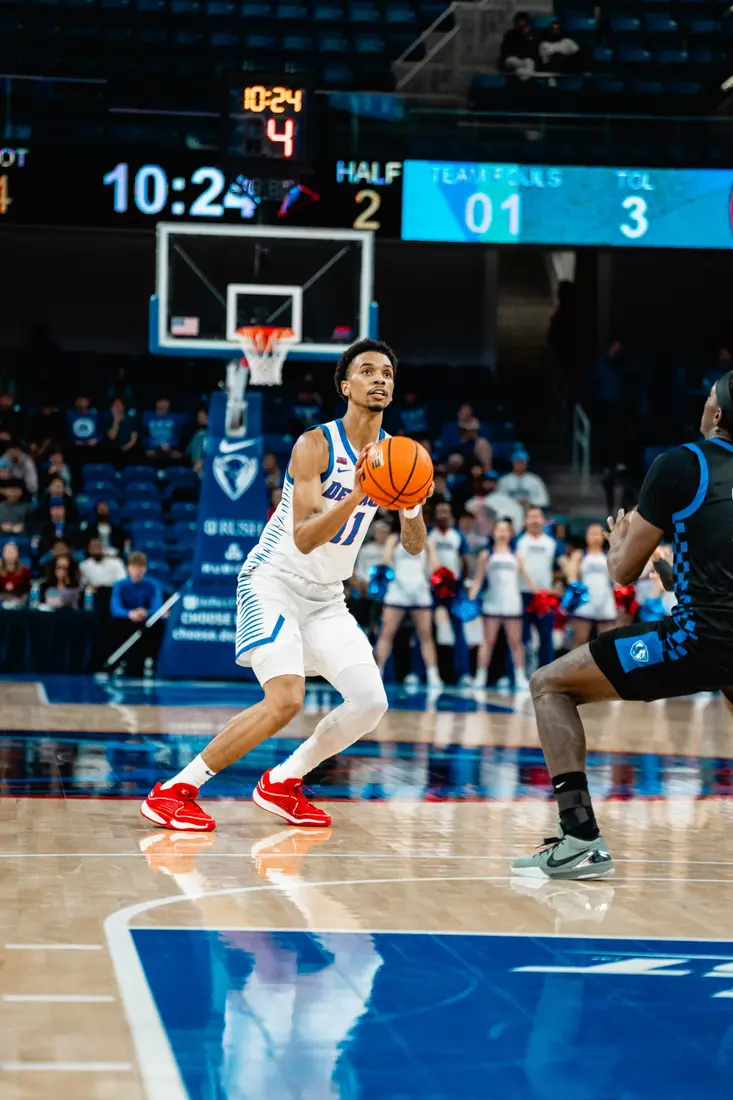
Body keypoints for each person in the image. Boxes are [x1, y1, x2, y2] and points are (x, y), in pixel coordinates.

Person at [141, 338, 431, 832]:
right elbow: (303, 537)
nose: (380, 379)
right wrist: (359, 493)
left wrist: (412, 504)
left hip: (327, 597)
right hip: (273, 581)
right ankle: (173, 791)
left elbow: (414, 546)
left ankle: (282, 781)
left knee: (370, 702)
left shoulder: (398, 456)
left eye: (386, 372)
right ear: (346, 386)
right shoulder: (315, 445)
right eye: (367, 371)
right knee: (286, 699)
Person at [512, 372, 733, 877]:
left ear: (717, 414)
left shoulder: (681, 463)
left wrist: (617, 547)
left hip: (697, 642)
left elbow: (624, 573)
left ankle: (579, 838)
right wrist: (680, 576)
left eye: (708, 399)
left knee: (549, 684)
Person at [374, 528, 443, 691]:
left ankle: (433, 675)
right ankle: (376, 674)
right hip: (397, 591)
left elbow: (434, 565)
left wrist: (441, 576)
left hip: (420, 592)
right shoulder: (394, 539)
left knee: (426, 635)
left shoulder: (427, 540)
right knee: (386, 634)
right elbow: (385, 561)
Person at [469, 519, 533, 691]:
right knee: (488, 641)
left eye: (506, 530)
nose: (502, 533)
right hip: (492, 603)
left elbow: (527, 577)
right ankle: (480, 677)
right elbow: (478, 580)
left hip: (512, 603)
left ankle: (520, 677)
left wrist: (541, 593)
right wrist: (470, 598)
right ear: (494, 532)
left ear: (511, 533)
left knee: (516, 642)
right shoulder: (486, 554)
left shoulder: (516, 554)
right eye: (499, 529)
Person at [560, 523, 617, 649]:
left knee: (607, 642)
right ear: (586, 536)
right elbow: (571, 576)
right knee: (580, 640)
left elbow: (616, 579)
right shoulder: (580, 555)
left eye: (598, 534)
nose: (595, 537)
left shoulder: (609, 555)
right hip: (585, 601)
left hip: (605, 600)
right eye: (592, 533)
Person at [110, 551, 164, 676]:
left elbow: (157, 606)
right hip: (126, 620)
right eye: (134, 567)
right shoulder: (119, 585)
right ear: (128, 568)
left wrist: (145, 612)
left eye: (141, 567)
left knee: (158, 624)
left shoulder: (153, 585)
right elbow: (115, 608)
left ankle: (151, 661)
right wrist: (130, 614)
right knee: (115, 624)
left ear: (145, 569)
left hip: (146, 620)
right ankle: (120, 661)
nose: (137, 571)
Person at [516, 506, 558, 668]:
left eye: (537, 517)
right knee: (520, 636)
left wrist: (558, 587)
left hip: (545, 595)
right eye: (531, 517)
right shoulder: (518, 542)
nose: (534, 520)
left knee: (546, 635)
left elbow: (560, 567)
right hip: (522, 594)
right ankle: (519, 672)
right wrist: (533, 587)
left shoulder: (551, 543)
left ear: (543, 520)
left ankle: (547, 671)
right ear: (525, 520)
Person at [80, 537, 126, 611]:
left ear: (103, 547)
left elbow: (122, 581)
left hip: (112, 592)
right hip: (95, 594)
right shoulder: (84, 565)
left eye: (98, 546)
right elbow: (82, 584)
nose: (96, 549)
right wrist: (88, 586)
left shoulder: (116, 563)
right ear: (89, 549)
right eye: (93, 547)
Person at [499, 11, 540, 80]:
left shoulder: (533, 36)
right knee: (513, 61)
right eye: (519, 25)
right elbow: (505, 54)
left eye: (524, 25)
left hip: (528, 63)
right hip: (513, 62)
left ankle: (524, 78)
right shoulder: (510, 35)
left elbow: (534, 54)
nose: (522, 28)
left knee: (528, 62)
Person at [142, 397, 184, 463]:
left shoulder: (176, 418)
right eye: (161, 401)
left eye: (166, 402)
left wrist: (170, 446)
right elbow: (143, 434)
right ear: (157, 403)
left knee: (176, 455)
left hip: (170, 448)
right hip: (152, 447)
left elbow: (179, 435)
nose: (164, 404)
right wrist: (149, 447)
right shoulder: (147, 416)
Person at [102, 397, 138, 465]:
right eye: (114, 405)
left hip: (128, 449)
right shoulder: (107, 419)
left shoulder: (130, 419)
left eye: (119, 405)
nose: (117, 407)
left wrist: (127, 446)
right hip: (112, 450)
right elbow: (112, 437)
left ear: (123, 406)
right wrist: (116, 420)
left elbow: (134, 437)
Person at [0, 541, 31, 605]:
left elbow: (27, 591)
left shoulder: (25, 570)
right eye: (7, 552)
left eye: (13, 552)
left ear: (17, 554)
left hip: (19, 604)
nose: (10, 555)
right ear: (3, 554)